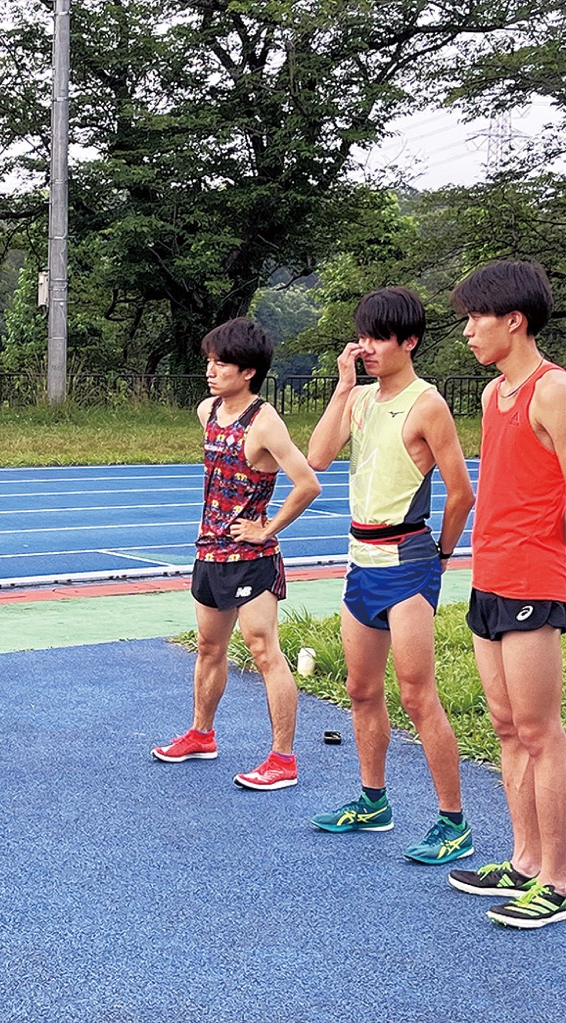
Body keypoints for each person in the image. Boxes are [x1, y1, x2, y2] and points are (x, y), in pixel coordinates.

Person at [306, 287, 475, 865]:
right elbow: (318, 457)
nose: (368, 347)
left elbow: (461, 493)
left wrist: (442, 556)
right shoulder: (361, 398)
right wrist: (343, 386)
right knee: (360, 690)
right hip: (361, 561)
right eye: (364, 336)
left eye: (381, 338)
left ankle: (453, 822)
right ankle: (373, 800)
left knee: (416, 694)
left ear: (410, 342)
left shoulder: (427, 404)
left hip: (408, 561)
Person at [151, 317, 321, 790]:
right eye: (209, 361)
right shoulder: (207, 411)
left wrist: (266, 530)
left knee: (264, 650)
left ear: (248, 371)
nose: (211, 370)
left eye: (221, 363)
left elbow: (307, 483)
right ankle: (202, 735)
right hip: (209, 550)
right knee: (208, 647)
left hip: (251, 557)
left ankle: (282, 759)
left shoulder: (264, 422)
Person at [447, 260, 566, 929]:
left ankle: (559, 879)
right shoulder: (496, 395)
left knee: (542, 732)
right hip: (488, 577)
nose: (467, 331)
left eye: (475, 318)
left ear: (513, 320)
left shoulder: (554, 391)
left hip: (535, 582)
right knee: (506, 727)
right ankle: (524, 861)